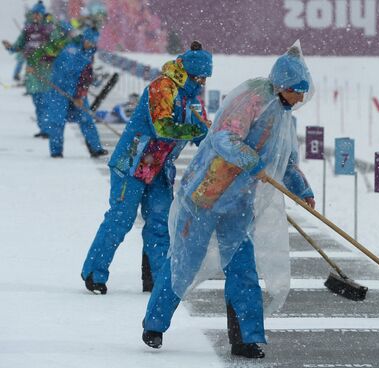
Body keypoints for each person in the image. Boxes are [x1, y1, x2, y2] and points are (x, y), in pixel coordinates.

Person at [141, 41, 315, 360]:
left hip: (239, 203)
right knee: (184, 262)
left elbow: (286, 162)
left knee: (243, 267)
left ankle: (245, 338)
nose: (301, 98)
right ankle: (154, 324)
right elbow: (224, 138)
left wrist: (303, 191)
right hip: (206, 194)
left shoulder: (286, 118)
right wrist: (254, 163)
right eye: (298, 91)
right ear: (284, 85)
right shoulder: (252, 99)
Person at [81, 41, 212, 295]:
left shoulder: (192, 99)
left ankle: (157, 279)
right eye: (199, 77)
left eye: (205, 78)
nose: (203, 83)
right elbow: (163, 127)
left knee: (160, 223)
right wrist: (197, 129)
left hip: (160, 168)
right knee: (121, 218)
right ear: (187, 72)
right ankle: (94, 273)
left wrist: (217, 142)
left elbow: (202, 134)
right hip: (132, 161)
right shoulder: (162, 87)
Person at [43, 27, 108, 158]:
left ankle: (95, 148)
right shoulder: (70, 49)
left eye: (93, 42)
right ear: (84, 39)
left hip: (77, 91)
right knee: (57, 121)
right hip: (59, 91)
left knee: (86, 119)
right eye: (89, 41)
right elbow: (58, 66)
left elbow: (86, 78)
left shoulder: (88, 53)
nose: (90, 44)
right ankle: (56, 151)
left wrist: (79, 95)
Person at [2, 1, 55, 138]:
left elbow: (57, 48)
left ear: (43, 15)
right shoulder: (28, 29)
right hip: (32, 69)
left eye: (38, 14)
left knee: (46, 100)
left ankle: (49, 129)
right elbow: (18, 45)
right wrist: (10, 47)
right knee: (37, 100)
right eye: (34, 14)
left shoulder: (49, 29)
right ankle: (43, 128)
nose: (36, 16)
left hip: (46, 69)